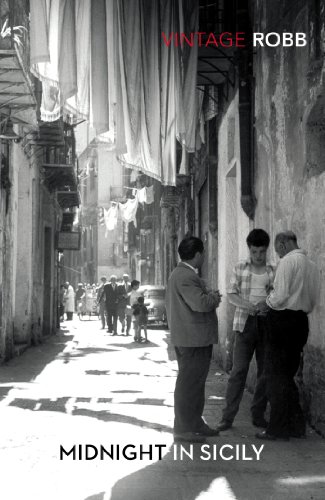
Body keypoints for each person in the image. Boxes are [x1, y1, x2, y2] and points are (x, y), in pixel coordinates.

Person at [255, 231, 319, 441]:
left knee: (275, 377)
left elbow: (280, 296)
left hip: (282, 322)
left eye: (277, 248)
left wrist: (266, 303)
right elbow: (312, 299)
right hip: (300, 322)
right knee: (286, 376)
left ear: (283, 244)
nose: (278, 253)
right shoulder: (310, 265)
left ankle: (277, 428)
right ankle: (295, 424)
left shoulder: (287, 262)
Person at [217, 229, 275, 432]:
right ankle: (227, 417)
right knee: (238, 371)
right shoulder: (240, 268)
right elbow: (231, 294)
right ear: (249, 250)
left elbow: (278, 296)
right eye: (254, 252)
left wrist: (266, 304)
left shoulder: (273, 270)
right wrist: (248, 305)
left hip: (266, 324)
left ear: (266, 250)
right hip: (244, 324)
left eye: (262, 252)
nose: (258, 256)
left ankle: (258, 414)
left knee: (265, 372)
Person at [166, 236, 221, 443]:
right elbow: (200, 304)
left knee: (194, 384)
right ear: (197, 254)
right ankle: (184, 427)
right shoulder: (185, 276)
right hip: (193, 339)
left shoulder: (181, 274)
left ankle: (195, 423)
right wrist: (214, 297)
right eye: (203, 253)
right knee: (189, 384)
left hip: (191, 338)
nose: (204, 257)